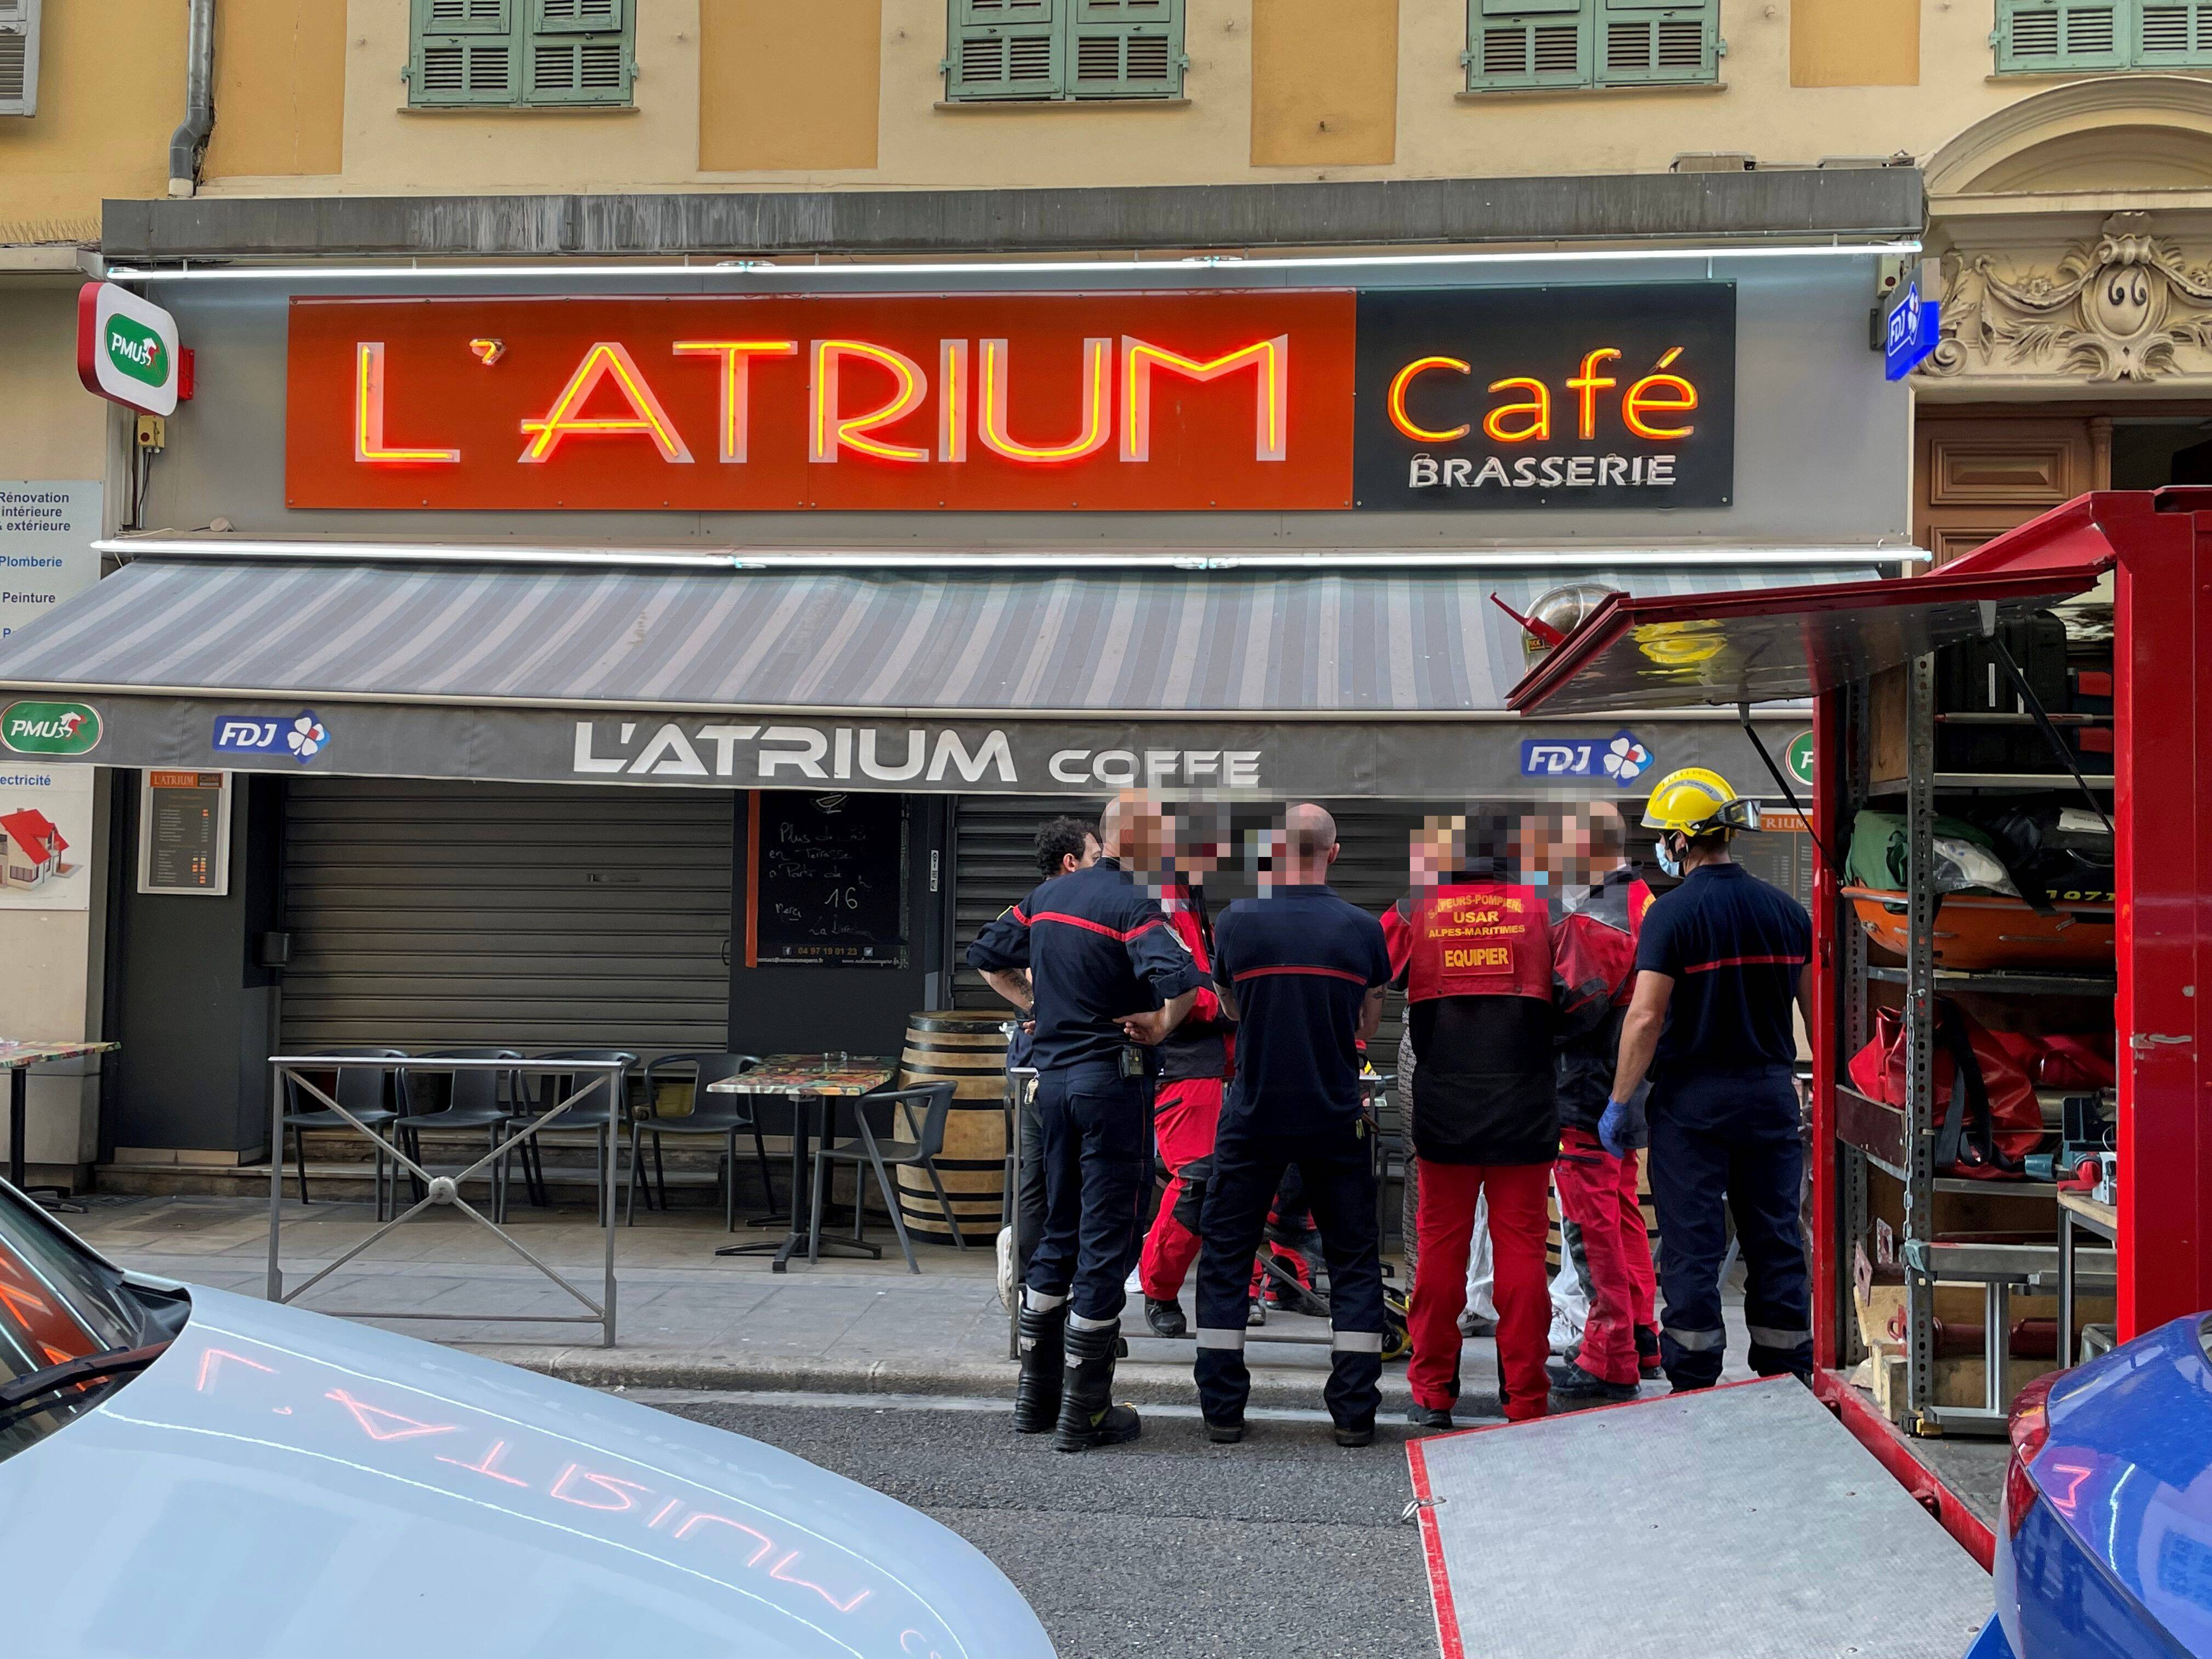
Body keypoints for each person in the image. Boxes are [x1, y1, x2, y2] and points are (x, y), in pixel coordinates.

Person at [969, 794, 1204, 1452]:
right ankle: (1087, 1411)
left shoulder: (1048, 896)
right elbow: (1181, 976)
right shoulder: (1135, 904)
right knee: (1107, 1237)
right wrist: (1162, 1022)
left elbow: (986, 953)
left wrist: (1036, 1006)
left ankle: (1035, 1398)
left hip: (1052, 1089)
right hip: (1111, 1084)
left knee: (1058, 1233)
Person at [1190, 804, 1393, 1448]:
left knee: (1225, 1259)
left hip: (1252, 1116)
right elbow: (1367, 1026)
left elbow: (1228, 1005)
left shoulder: (1238, 923)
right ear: (1333, 853)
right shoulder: (1362, 929)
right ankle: (1354, 1415)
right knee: (1355, 1261)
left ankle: (1222, 1412)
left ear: (1275, 850)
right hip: (1335, 1114)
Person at [1606, 768, 1814, 1392]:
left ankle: (1694, 1374)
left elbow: (1645, 1018)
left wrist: (1620, 1102)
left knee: (1693, 1243)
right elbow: (1821, 1017)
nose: (1661, 850)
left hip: (1692, 1103)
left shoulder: (1671, 915)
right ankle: (1785, 1370)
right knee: (1775, 1237)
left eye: (1664, 838)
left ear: (1684, 840)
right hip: (1771, 1098)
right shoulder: (1786, 912)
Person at [1386, 812, 1560, 1429]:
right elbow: (1586, 995)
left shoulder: (1415, 910)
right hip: (1526, 1105)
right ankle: (1528, 1399)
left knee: (1438, 1251)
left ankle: (1433, 1393)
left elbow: (1371, 969)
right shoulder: (1545, 911)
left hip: (1445, 1108)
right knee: (1520, 1254)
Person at [1545, 804, 1662, 1408]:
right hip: (1626, 1090)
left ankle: (1610, 1356)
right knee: (1621, 1215)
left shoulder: (1597, 920)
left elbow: (1573, 1010)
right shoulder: (1641, 897)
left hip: (1587, 1093)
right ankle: (1642, 1335)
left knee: (1592, 1227)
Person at [1135, 820, 1234, 1340]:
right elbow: (1178, 986)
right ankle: (1159, 1286)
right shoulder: (1157, 897)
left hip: (1219, 1059)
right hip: (1183, 1060)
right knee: (1197, 1177)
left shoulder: (1187, 897)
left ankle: (1269, 1281)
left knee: (1249, 1176)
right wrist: (1229, 1006)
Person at [1002, 815, 1101, 1300]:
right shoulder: (1050, 908)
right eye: (1096, 859)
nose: (1103, 868)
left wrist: (1036, 1006)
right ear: (1072, 862)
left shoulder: (1028, 908)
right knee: (1066, 1184)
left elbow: (988, 960)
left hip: (1038, 1067)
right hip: (1058, 1068)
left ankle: (1032, 1295)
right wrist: (1039, 1005)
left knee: (1038, 1181)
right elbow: (993, 961)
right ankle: (1051, 1293)